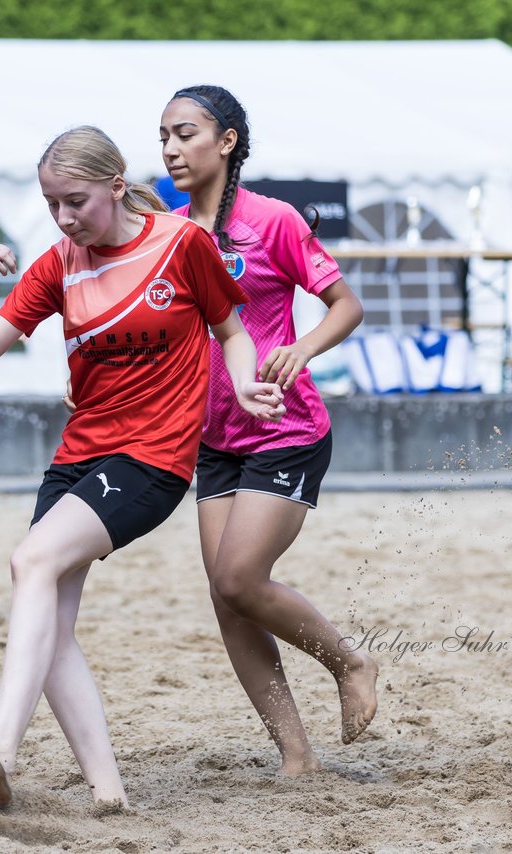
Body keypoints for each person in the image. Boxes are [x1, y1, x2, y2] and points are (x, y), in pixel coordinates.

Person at [0, 126, 285, 808]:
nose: (66, 218)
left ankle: (2, 752)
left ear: (113, 185)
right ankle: (109, 794)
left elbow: (232, 331)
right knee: (49, 622)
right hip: (78, 454)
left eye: (75, 201)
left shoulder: (180, 244)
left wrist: (245, 384)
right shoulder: (58, 262)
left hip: (153, 458)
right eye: (51, 205)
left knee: (30, 565)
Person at [159, 85, 378, 774]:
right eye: (162, 134)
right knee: (228, 599)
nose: (170, 147)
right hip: (212, 439)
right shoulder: (166, 225)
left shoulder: (273, 220)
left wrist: (304, 347)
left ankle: (351, 663)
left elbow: (346, 305)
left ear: (225, 141)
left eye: (185, 132)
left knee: (240, 577)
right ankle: (296, 754)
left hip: (286, 428)